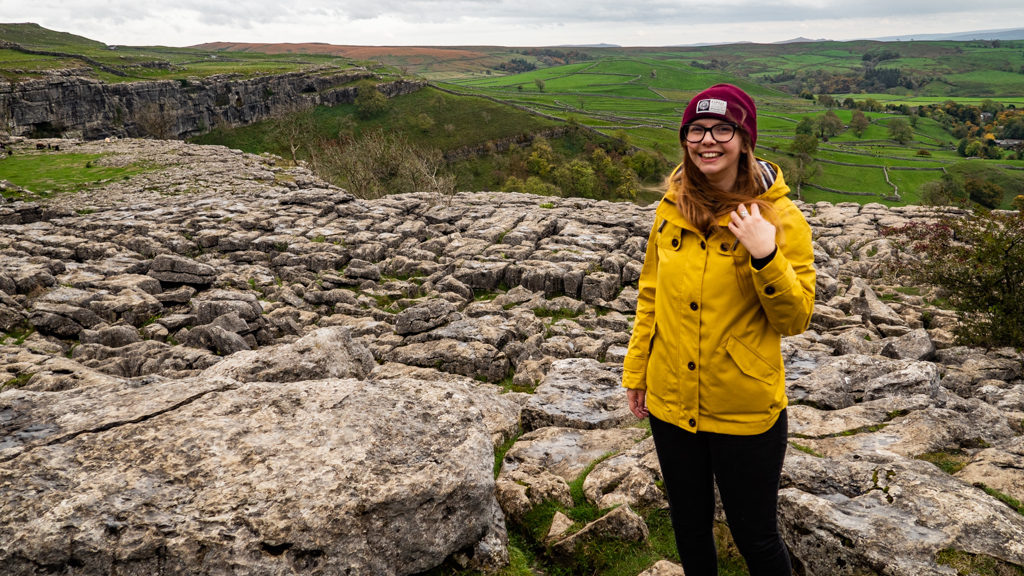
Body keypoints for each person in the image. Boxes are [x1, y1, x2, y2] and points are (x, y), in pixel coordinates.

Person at [622, 84, 816, 576]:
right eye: (696, 129)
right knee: (688, 524)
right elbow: (651, 295)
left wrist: (765, 255)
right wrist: (637, 370)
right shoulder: (671, 207)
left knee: (756, 537)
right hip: (670, 399)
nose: (708, 140)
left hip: (744, 406)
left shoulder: (780, 217)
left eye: (722, 129)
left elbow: (795, 319)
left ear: (745, 139)